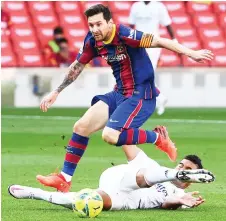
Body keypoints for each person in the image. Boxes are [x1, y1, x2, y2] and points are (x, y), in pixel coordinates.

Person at [37, 4, 214, 193]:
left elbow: (161, 41)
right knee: (81, 127)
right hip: (119, 92)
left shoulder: (126, 35)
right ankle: (65, 179)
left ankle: (157, 138)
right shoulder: (92, 41)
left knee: (110, 135)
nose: (95, 29)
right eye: (91, 25)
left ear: (109, 22)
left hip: (140, 94)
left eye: (99, 24)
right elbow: (77, 66)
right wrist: (56, 91)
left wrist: (192, 53)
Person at [9, 135, 215, 211]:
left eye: (188, 171)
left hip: (126, 199)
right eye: (182, 165)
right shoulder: (153, 166)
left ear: (192, 181)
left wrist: (180, 201)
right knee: (146, 173)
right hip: (121, 177)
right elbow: (128, 145)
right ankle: (168, 174)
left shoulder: (180, 195)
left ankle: (34, 193)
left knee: (85, 203)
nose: (182, 167)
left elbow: (166, 204)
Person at [129, 1, 177, 115]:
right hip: (139, 43)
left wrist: (174, 41)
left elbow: (168, 24)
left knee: (146, 74)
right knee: (140, 74)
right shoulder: (136, 6)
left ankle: (154, 99)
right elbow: (131, 26)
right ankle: (160, 98)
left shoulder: (159, 6)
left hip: (154, 44)